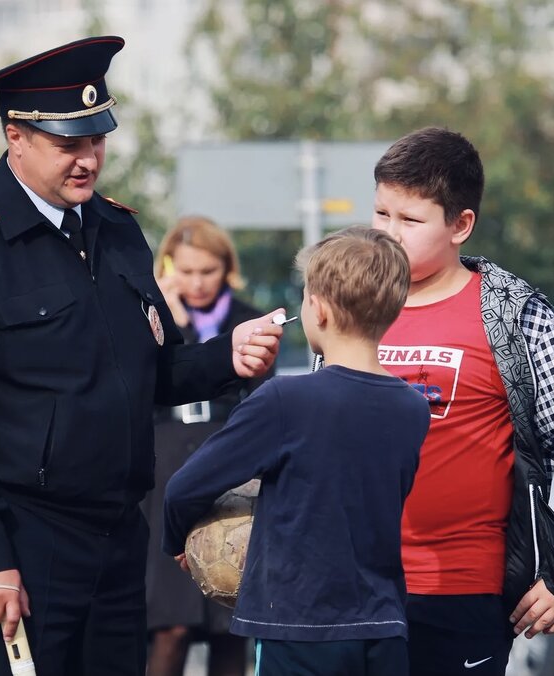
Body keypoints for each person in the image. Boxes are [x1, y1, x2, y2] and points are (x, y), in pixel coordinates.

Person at [0, 36, 284, 676]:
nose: (88, 160)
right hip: (24, 546)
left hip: (118, 541)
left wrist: (230, 356)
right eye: (68, 144)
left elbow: (154, 374)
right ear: (16, 135)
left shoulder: (116, 231)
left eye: (96, 139)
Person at [368, 127, 554, 675]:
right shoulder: (352, 299)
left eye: (410, 220)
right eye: (381, 214)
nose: (389, 234)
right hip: (351, 589)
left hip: (465, 594)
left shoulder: (512, 314)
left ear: (460, 225)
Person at [162, 227, 429, 676]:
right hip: (382, 624)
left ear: (318, 308)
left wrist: (177, 541)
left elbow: (184, 487)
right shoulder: (413, 406)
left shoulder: (284, 401)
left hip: (297, 628)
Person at [144, 216, 269, 676]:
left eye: (207, 272)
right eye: (187, 271)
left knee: (229, 624)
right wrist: (167, 326)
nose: (196, 283)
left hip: (225, 460)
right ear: (169, 267)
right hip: (164, 466)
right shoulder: (151, 316)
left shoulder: (247, 319)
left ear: (226, 270)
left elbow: (261, 400)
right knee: (170, 624)